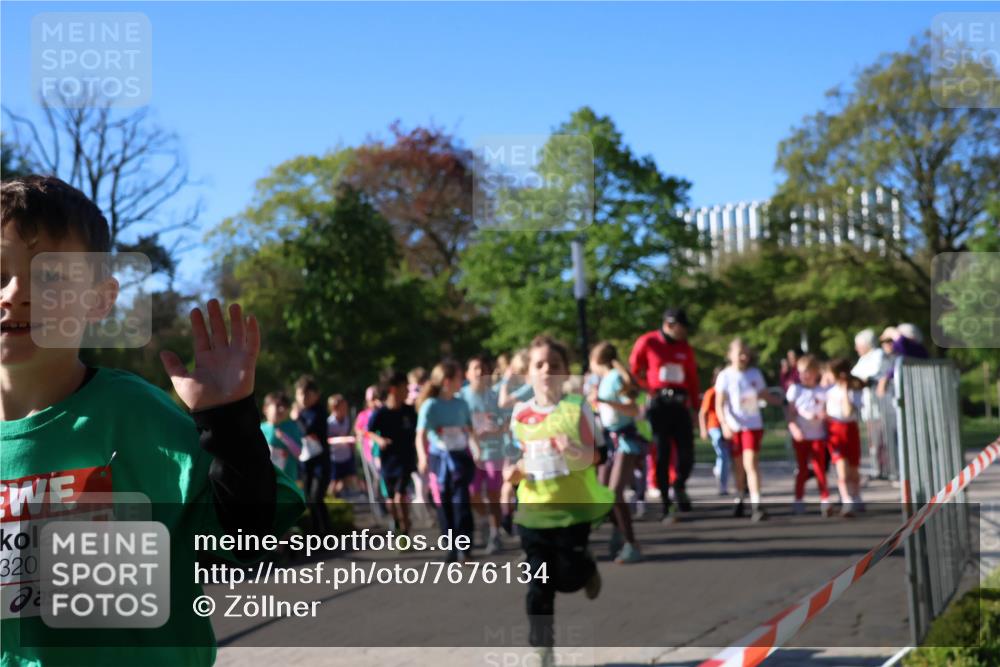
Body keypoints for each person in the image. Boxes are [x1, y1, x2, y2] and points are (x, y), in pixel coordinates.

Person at [0, 175, 304, 665]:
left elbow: (251, 533)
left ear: (99, 299)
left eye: (49, 277)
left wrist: (228, 422)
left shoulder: (135, 415)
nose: (15, 293)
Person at [504, 335, 614, 667]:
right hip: (534, 514)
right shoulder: (520, 415)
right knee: (539, 584)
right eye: (540, 365)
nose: (547, 370)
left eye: (555, 365)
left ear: (566, 372)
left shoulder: (577, 408)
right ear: (529, 374)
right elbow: (518, 459)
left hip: (572, 512)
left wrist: (576, 451)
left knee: (567, 578)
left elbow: (600, 456)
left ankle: (587, 569)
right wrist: (511, 479)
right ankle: (543, 650)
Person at [628, 307, 699, 522]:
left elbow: (692, 378)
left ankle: (679, 485)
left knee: (687, 452)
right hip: (659, 404)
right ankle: (666, 503)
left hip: (680, 404)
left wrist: (695, 407)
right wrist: (647, 388)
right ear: (669, 324)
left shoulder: (684, 348)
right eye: (681, 327)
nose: (684, 332)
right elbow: (634, 370)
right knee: (662, 452)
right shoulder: (648, 342)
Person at [416, 361, 481, 563]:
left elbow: (470, 430)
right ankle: (450, 546)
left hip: (460, 456)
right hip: (439, 459)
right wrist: (422, 457)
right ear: (447, 381)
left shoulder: (461, 403)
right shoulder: (431, 405)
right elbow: (421, 435)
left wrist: (476, 448)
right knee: (443, 503)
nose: (462, 381)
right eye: (458, 377)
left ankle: (465, 547)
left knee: (461, 501)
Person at [715, 337, 783, 521]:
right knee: (738, 466)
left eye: (746, 353)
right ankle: (740, 497)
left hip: (752, 425)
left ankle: (756, 503)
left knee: (751, 462)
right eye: (739, 354)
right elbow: (719, 403)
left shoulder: (754, 374)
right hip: (734, 426)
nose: (743, 357)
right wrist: (724, 424)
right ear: (730, 355)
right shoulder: (725, 376)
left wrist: (782, 401)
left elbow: (764, 394)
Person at [590, 341, 645, 564]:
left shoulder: (614, 377)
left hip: (624, 441)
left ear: (596, 360)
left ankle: (631, 544)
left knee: (614, 492)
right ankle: (619, 532)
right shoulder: (604, 381)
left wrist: (605, 401)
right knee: (603, 494)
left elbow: (632, 408)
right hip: (609, 442)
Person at [460, 354, 507, 555]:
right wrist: (470, 433)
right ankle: (487, 522)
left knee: (494, 495)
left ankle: (495, 534)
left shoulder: (495, 395)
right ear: (467, 374)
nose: (480, 372)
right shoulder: (461, 397)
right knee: (472, 494)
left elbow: (507, 422)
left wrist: (495, 430)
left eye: (483, 369)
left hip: (494, 451)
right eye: (476, 369)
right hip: (470, 452)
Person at [368, 372, 419, 535]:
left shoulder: (409, 411)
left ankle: (405, 531)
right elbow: (368, 431)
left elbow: (418, 430)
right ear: (393, 389)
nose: (407, 392)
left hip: (406, 459)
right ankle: (397, 523)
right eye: (405, 388)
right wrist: (379, 440)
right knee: (391, 499)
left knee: (400, 496)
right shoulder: (381, 413)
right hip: (388, 460)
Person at [785, 355, 831, 516]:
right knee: (802, 469)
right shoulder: (795, 389)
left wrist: (822, 416)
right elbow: (790, 414)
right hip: (802, 435)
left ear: (815, 372)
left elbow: (826, 411)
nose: (804, 375)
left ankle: (825, 499)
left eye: (808, 372)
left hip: (817, 435)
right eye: (801, 372)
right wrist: (794, 429)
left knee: (819, 468)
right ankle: (798, 499)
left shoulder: (821, 391)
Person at [826, 358, 865, 517]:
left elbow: (849, 412)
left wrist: (844, 390)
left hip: (850, 429)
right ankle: (846, 500)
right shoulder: (829, 391)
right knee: (841, 468)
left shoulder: (853, 391)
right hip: (835, 430)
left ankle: (856, 496)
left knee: (853, 469)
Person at [296, 374, 332, 535]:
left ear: (315, 395)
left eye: (306, 394)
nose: (303, 398)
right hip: (305, 462)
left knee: (317, 497)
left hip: (320, 462)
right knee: (309, 499)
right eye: (300, 394)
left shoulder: (319, 412)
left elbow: (308, 431)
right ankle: (315, 533)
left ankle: (326, 533)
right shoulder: (301, 414)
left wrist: (296, 419)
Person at [699, 367, 730, 496]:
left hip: (728, 427)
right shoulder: (711, 393)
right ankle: (722, 485)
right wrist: (703, 429)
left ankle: (719, 471)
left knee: (727, 456)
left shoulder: (729, 392)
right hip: (715, 426)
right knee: (722, 454)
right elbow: (702, 413)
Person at [261, 391, 303, 483]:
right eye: (278, 406)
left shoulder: (291, 427)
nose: (282, 409)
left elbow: (299, 453)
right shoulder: (260, 428)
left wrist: (285, 438)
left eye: (285, 407)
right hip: (264, 478)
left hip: (287, 480)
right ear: (265, 409)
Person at [327, 394, 359, 497]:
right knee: (334, 481)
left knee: (348, 478)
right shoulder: (329, 423)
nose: (346, 409)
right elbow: (328, 439)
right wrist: (341, 439)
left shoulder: (346, 419)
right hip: (335, 457)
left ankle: (339, 496)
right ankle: (330, 498)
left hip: (346, 455)